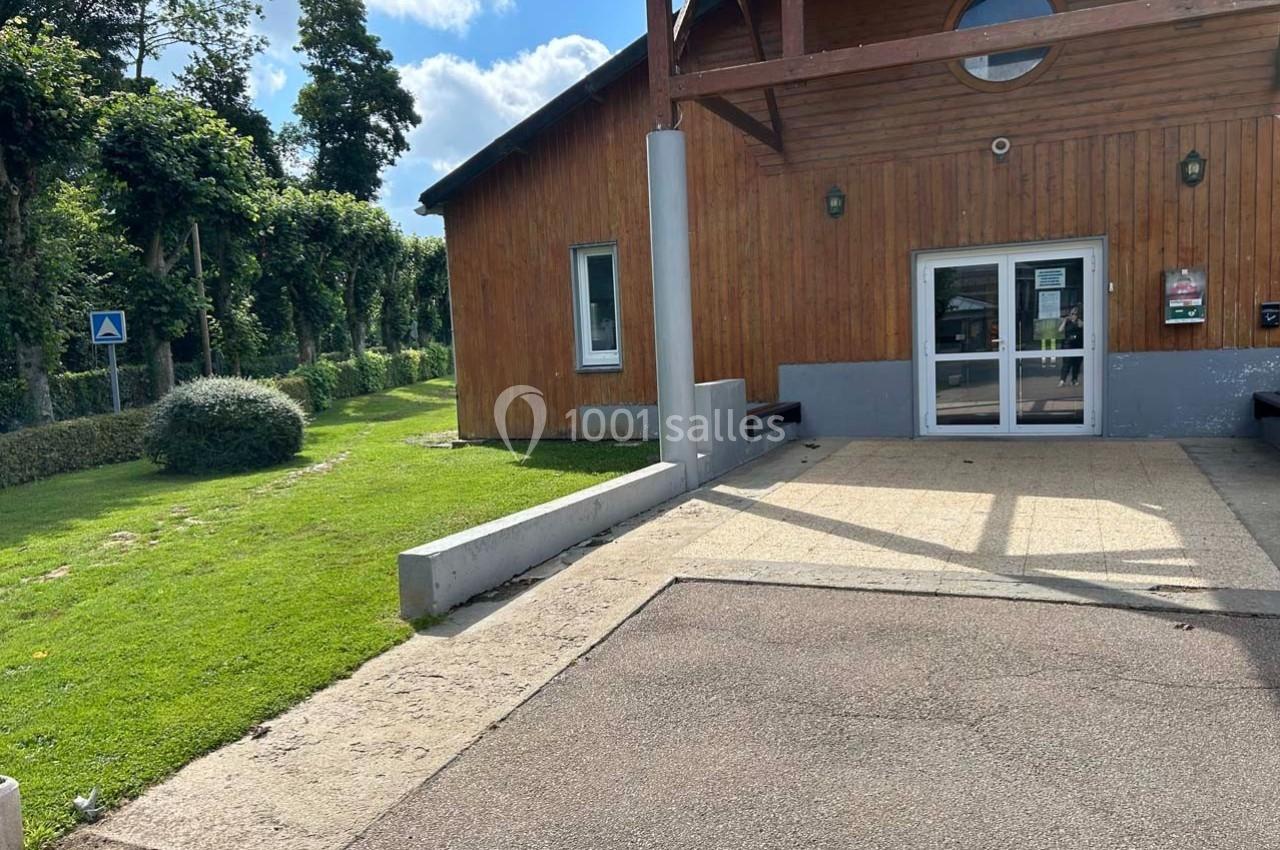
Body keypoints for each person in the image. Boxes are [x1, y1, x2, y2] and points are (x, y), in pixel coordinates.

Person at [1058, 306, 1083, 387]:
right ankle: (1062, 380)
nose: (1074, 316)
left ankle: (1074, 379)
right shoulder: (1067, 322)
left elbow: (1082, 326)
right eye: (1072, 314)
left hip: (1078, 344)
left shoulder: (1079, 322)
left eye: (1076, 314)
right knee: (1066, 363)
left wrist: (1079, 321)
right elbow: (1060, 330)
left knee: (1076, 364)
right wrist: (1065, 321)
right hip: (1068, 345)